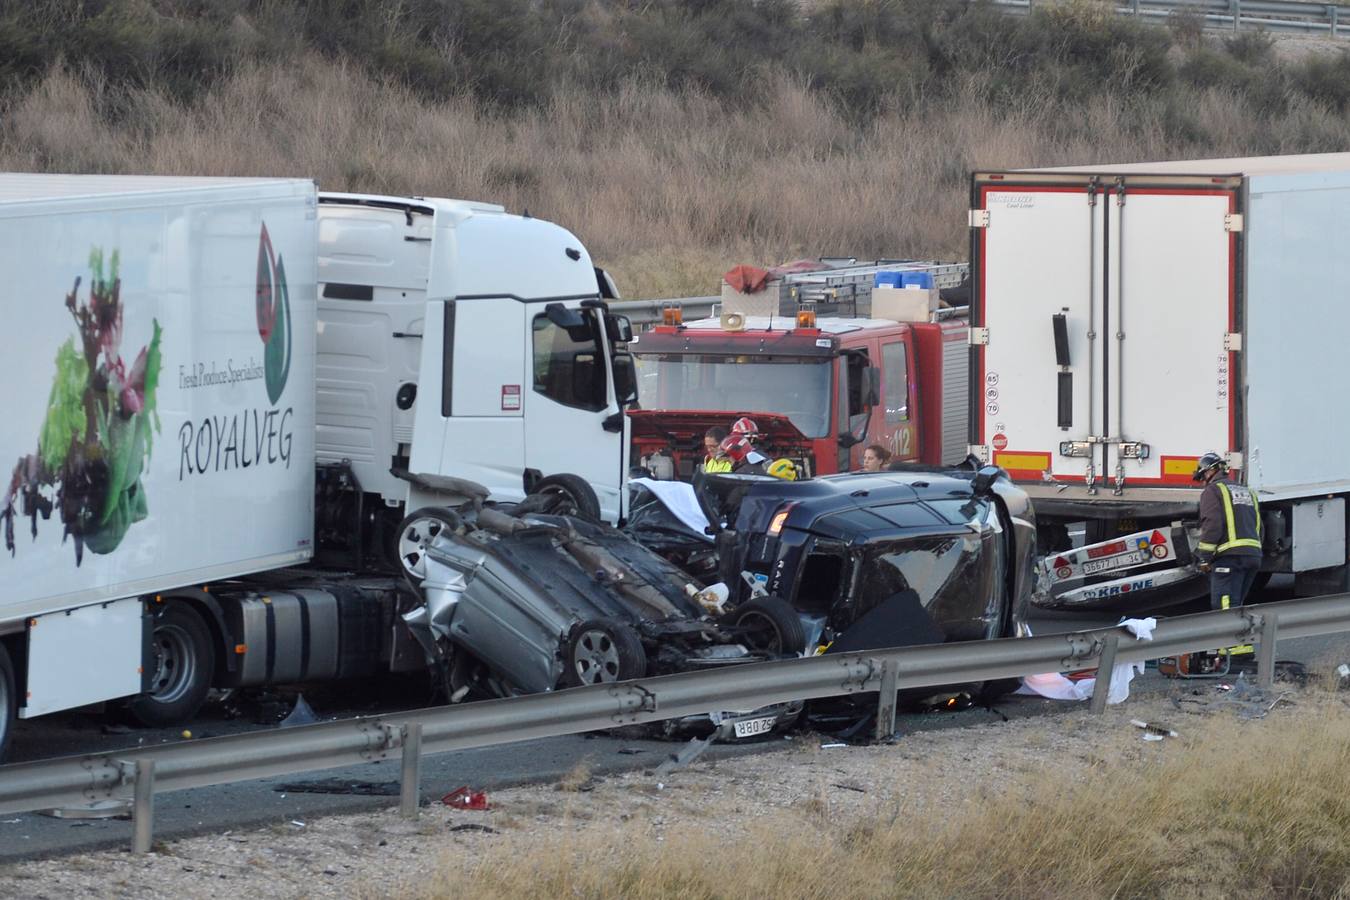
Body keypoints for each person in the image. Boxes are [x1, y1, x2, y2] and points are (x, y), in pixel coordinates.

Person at [1194, 452, 1263, 651]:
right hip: (1252, 556)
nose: (1203, 481)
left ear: (1210, 471)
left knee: (1223, 605)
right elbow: (1260, 525)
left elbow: (1212, 525)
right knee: (1236, 604)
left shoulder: (1213, 491)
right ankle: (1243, 648)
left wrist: (1204, 557)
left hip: (1229, 558)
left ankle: (1232, 652)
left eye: (1203, 475)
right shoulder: (1247, 491)